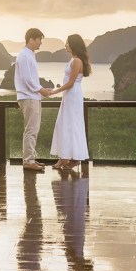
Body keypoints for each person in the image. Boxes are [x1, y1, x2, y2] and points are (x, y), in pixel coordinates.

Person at [49, 33, 92, 171]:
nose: (65, 45)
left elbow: (71, 83)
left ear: (73, 45)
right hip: (70, 96)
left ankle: (71, 158)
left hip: (72, 95)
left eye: (67, 43)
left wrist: (54, 91)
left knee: (71, 125)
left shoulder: (76, 61)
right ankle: (67, 157)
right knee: (65, 124)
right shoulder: (74, 60)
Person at [15, 27, 52, 171]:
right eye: (39, 40)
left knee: (33, 129)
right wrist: (40, 90)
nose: (40, 43)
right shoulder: (24, 56)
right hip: (28, 97)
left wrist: (41, 90)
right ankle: (28, 161)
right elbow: (26, 79)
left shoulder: (29, 54)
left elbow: (31, 79)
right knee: (31, 129)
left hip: (33, 96)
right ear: (31, 40)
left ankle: (31, 159)